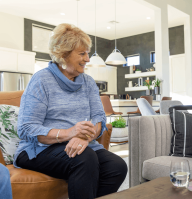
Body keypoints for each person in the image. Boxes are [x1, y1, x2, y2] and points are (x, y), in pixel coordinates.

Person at [14, 23, 127, 199]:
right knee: (84, 158)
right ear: (63, 55)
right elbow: (26, 128)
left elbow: (99, 118)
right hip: (38, 149)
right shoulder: (41, 80)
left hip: (80, 144)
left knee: (117, 166)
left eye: (87, 53)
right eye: (82, 53)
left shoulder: (88, 82)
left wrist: (85, 136)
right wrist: (69, 133)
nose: (88, 59)